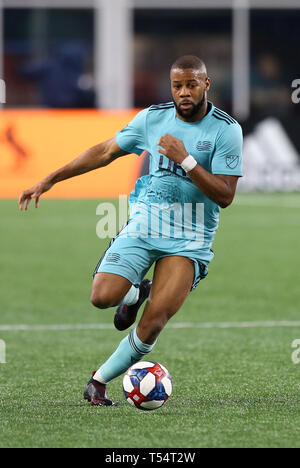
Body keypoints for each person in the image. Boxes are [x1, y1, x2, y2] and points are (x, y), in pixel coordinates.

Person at [19, 55, 243, 406]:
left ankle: (99, 381)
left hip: (191, 238)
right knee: (101, 297)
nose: (184, 92)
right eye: (177, 86)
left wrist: (185, 159)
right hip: (146, 222)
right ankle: (133, 294)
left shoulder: (226, 129)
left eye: (191, 85)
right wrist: (50, 179)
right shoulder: (153, 118)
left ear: (206, 85)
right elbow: (106, 151)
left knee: (155, 321)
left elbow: (225, 195)